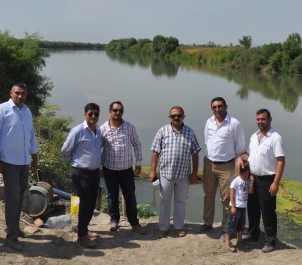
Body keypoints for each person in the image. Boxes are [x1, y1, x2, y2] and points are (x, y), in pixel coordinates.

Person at [0, 83, 39, 251]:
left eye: (23, 93)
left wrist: (34, 159)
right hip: (8, 162)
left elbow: (31, 137)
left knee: (20, 195)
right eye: (17, 93)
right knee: (13, 198)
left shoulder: (27, 111)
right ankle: (11, 236)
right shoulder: (1, 110)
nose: (20, 96)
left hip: (23, 162)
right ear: (11, 93)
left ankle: (14, 227)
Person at [236, 108, 286, 253]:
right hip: (252, 178)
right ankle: (253, 233)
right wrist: (240, 158)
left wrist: (276, 183)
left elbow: (281, 161)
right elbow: (249, 155)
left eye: (263, 119)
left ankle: (270, 241)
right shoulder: (254, 137)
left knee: (268, 211)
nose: (260, 122)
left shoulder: (275, 138)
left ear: (270, 120)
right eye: (258, 119)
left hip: (267, 180)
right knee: (252, 209)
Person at [150, 106, 201, 238]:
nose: (176, 118)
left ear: (184, 116)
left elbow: (195, 154)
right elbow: (156, 152)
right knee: (164, 202)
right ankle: (163, 227)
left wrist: (194, 173)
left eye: (179, 115)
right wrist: (152, 170)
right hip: (166, 174)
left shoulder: (190, 132)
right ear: (169, 117)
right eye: (173, 116)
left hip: (183, 175)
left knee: (180, 202)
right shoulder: (162, 131)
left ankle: (179, 227)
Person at [199, 97, 246, 233]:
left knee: (226, 198)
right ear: (211, 108)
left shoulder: (234, 123)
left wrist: (232, 158)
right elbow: (207, 140)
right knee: (208, 195)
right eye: (214, 107)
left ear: (226, 106)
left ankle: (226, 226)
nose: (217, 109)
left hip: (226, 166)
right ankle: (207, 223)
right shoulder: (209, 122)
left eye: (220, 106)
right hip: (209, 163)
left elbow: (240, 145)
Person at [100, 101, 147, 234]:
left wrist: (138, 162)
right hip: (109, 169)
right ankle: (114, 220)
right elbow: (98, 148)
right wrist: (99, 168)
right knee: (112, 196)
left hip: (126, 169)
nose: (117, 113)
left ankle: (134, 222)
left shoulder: (129, 127)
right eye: (115, 110)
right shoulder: (103, 128)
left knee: (130, 195)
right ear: (110, 111)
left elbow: (137, 144)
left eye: (120, 111)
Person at [61, 103, 103, 248]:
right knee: (85, 203)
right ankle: (81, 237)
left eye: (96, 114)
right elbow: (65, 150)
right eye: (90, 114)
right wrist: (75, 163)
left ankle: (84, 229)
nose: (93, 117)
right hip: (81, 173)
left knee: (92, 203)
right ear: (85, 114)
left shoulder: (98, 130)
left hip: (94, 172)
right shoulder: (78, 131)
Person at [223, 162, 254, 252]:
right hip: (235, 207)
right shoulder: (236, 181)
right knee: (231, 223)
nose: (244, 175)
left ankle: (239, 240)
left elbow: (251, 192)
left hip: (243, 207)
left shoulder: (248, 181)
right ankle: (228, 241)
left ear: (248, 172)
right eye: (242, 173)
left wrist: (252, 182)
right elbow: (232, 194)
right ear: (238, 172)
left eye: (246, 173)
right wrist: (233, 206)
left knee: (241, 224)